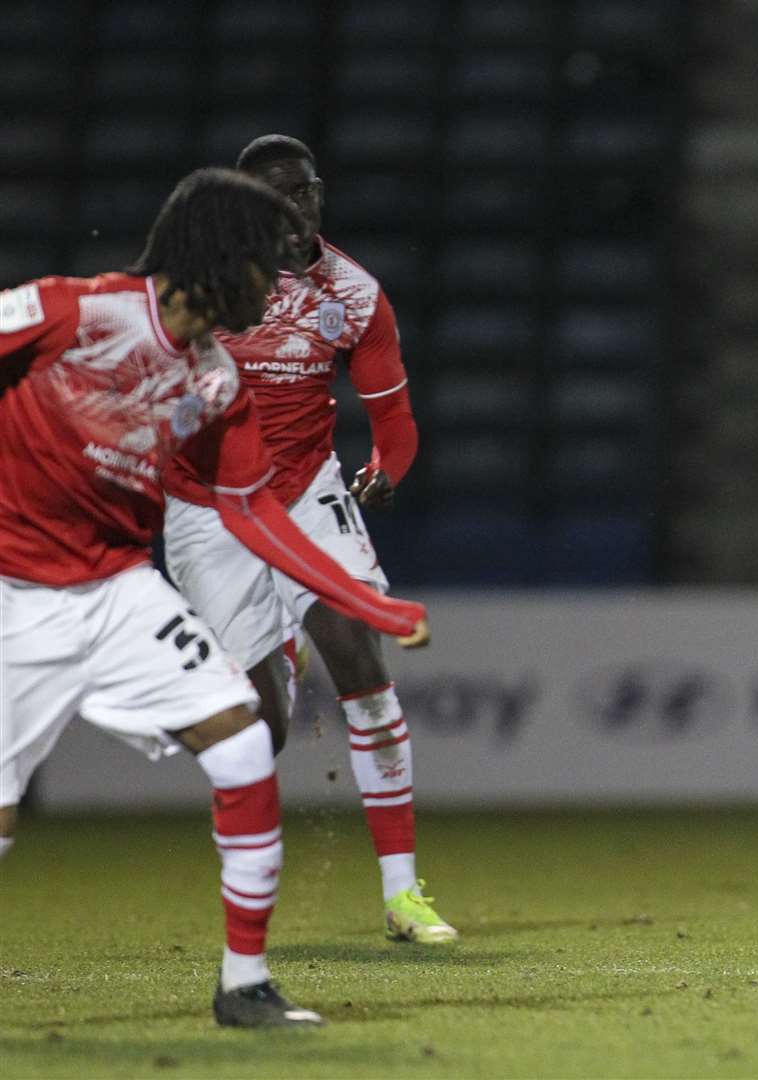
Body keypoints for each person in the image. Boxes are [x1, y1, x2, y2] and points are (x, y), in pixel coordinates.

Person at [0, 168, 428, 1026]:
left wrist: (371, 605)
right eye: (264, 270)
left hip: (120, 588)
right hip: (20, 595)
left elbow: (253, 511)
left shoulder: (216, 381)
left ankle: (243, 985)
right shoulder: (70, 311)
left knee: (240, 738)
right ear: (220, 260)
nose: (275, 289)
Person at [162, 136, 455, 943]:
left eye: (307, 191)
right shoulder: (199, 286)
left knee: (362, 665)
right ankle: (270, 660)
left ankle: (402, 894)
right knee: (265, 729)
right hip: (208, 509)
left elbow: (394, 421)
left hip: (306, 493)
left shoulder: (354, 296)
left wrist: (388, 468)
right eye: (275, 194)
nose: (296, 207)